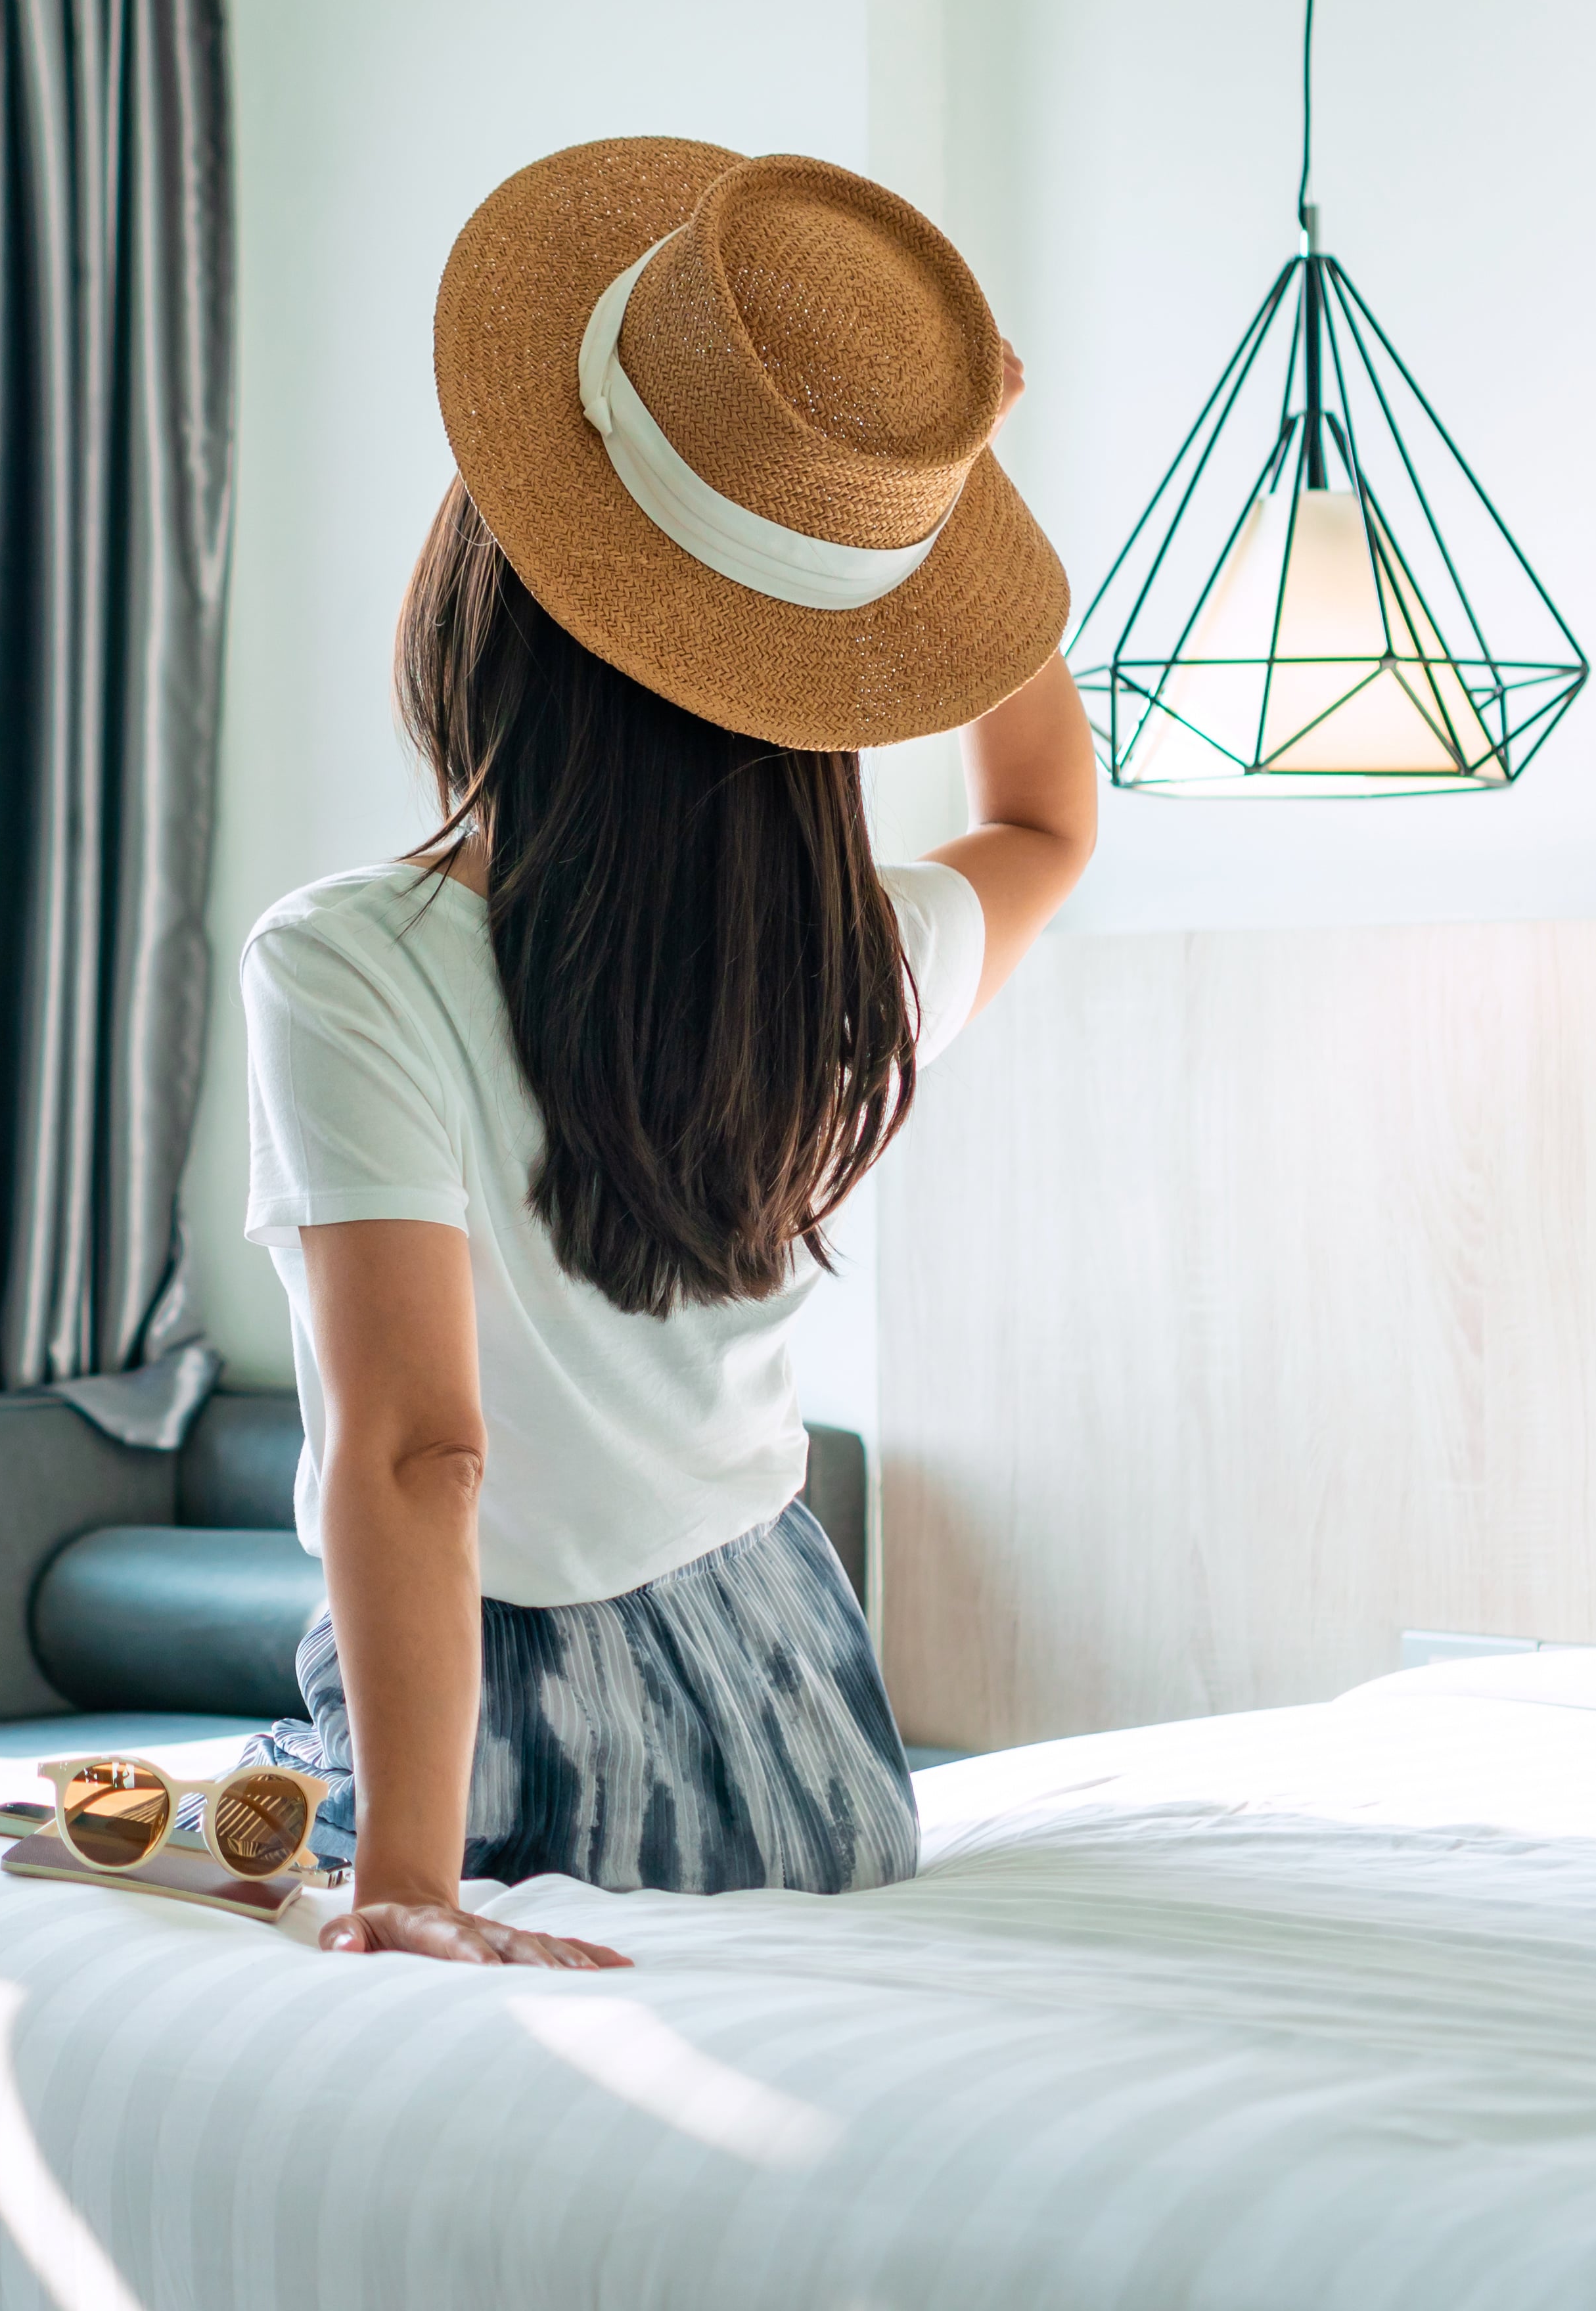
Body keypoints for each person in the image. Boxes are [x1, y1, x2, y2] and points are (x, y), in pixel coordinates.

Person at [237, 140, 1097, 1968]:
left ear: (485, 597)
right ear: (826, 696)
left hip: (515, 1751)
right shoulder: (844, 967)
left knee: (148, 1854)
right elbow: (1047, 824)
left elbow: (416, 1459)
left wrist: (404, 1881)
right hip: (814, 1751)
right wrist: (954, 513)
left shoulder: (349, 965)